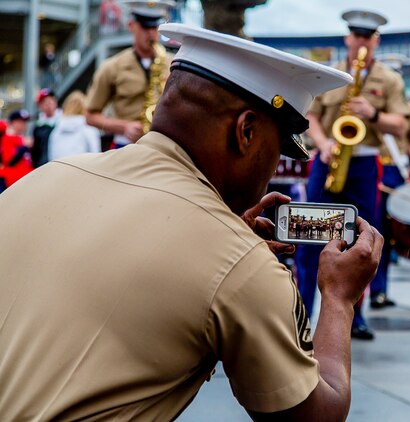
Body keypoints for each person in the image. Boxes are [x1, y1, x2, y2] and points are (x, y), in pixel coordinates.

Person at [0, 23, 384, 420]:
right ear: (246, 132)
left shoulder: (44, 178)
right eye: (278, 148)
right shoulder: (239, 262)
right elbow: (317, 415)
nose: (273, 169)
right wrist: (338, 298)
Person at [296, 10, 409, 340]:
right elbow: (311, 118)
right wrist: (322, 144)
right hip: (327, 160)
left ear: (375, 40)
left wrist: (372, 113)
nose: (361, 42)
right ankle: (302, 314)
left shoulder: (389, 79)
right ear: (348, 38)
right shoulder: (329, 74)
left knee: (362, 242)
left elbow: (401, 124)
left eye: (367, 37)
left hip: (363, 164)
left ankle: (354, 316)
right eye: (356, 36)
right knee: (308, 239)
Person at [371, 95, 410, 309]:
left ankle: (380, 290)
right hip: (375, 169)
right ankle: (369, 289)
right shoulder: (367, 106)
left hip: (397, 173)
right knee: (372, 234)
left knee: (388, 238)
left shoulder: (409, 109)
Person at [86, 0, 174, 149]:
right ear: (131, 26)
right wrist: (124, 126)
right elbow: (90, 116)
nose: (151, 33)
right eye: (145, 27)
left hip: (164, 146)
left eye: (155, 27)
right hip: (126, 146)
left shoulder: (174, 64)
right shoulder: (112, 66)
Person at [48, 90, 102, 161]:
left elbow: (51, 158)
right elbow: (97, 159)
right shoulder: (90, 130)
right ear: (85, 108)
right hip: (82, 170)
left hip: (60, 171)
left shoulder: (55, 131)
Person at [0, 109, 33, 188]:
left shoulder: (23, 138)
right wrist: (25, 147)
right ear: (12, 123)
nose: (23, 125)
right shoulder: (7, 138)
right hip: (12, 181)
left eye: (24, 122)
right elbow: (10, 161)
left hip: (25, 179)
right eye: (19, 122)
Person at [31, 88, 62, 168]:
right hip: (43, 166)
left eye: (51, 101)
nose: (49, 105)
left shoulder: (64, 122)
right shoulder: (38, 126)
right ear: (40, 106)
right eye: (45, 102)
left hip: (60, 164)